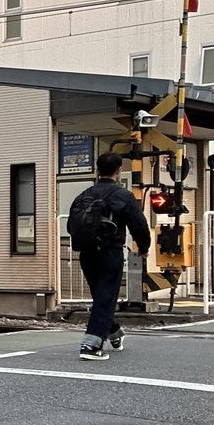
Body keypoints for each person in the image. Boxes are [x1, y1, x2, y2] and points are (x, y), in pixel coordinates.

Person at [71, 152, 151, 361]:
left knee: (102, 297)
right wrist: (144, 248)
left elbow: (72, 225)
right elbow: (139, 225)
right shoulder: (123, 195)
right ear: (119, 171)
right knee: (105, 297)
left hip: (86, 253)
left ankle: (114, 333)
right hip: (109, 252)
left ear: (98, 170)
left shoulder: (84, 195)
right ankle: (91, 345)